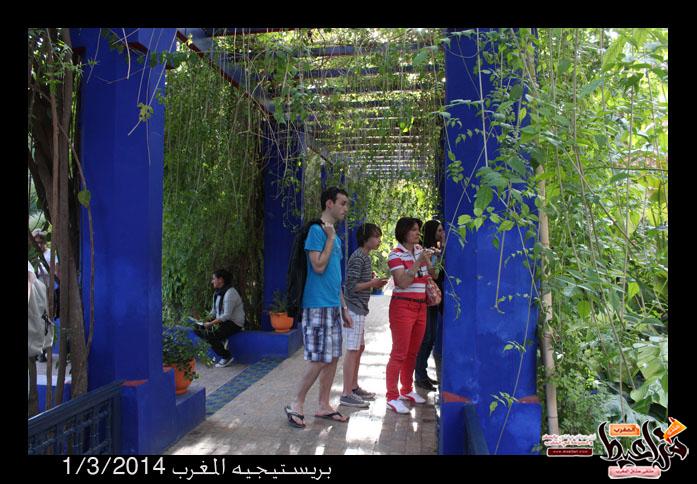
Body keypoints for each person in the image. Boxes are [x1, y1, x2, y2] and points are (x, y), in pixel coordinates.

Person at [284, 186, 353, 428]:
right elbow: (319, 266)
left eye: (346, 204)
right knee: (319, 359)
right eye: (342, 203)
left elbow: (335, 277)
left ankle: (323, 405)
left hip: (332, 306)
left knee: (332, 357)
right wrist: (330, 238)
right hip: (316, 306)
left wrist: (343, 307)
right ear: (329, 204)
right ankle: (296, 402)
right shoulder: (317, 231)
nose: (345, 208)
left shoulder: (336, 237)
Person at [385, 217, 436, 414]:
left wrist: (428, 259)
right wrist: (418, 261)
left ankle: (406, 390)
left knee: (413, 352)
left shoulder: (419, 251)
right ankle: (392, 396)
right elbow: (402, 282)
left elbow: (433, 275)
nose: (418, 233)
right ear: (404, 232)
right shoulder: (395, 255)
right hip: (402, 307)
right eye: (414, 230)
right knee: (399, 352)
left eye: (418, 230)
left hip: (421, 306)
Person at [340, 223, 388, 408]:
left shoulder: (364, 257)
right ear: (365, 238)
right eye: (376, 237)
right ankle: (346, 393)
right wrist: (372, 283)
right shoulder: (359, 257)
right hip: (354, 308)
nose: (379, 240)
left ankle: (353, 387)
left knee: (359, 348)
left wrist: (370, 280)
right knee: (353, 349)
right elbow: (350, 286)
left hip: (359, 308)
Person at [414, 219, 445, 391]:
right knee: (426, 337)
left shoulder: (434, 251)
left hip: (433, 298)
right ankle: (419, 375)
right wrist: (439, 254)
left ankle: (422, 373)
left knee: (431, 336)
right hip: (427, 297)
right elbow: (435, 274)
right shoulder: (427, 252)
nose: (442, 233)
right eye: (439, 230)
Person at [193, 269, 246, 368]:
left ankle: (226, 356)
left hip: (233, 323)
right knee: (197, 328)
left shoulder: (230, 293)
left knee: (209, 334)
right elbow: (214, 311)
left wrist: (210, 324)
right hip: (222, 321)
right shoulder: (217, 293)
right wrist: (204, 320)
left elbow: (226, 315)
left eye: (214, 279)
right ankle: (219, 340)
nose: (212, 281)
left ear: (221, 280)